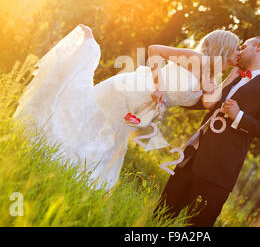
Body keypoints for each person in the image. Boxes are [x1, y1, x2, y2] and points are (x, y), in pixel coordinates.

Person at [14, 24, 240, 190]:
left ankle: (70, 175)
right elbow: (154, 50)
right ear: (224, 48)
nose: (238, 54)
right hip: (132, 90)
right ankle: (87, 48)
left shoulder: (212, 76)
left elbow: (210, 103)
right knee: (90, 118)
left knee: (106, 137)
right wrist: (158, 87)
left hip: (140, 107)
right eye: (235, 50)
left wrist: (232, 76)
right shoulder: (195, 58)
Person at [154, 36, 260, 226]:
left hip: (217, 173)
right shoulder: (234, 77)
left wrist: (239, 116)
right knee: (159, 218)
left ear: (258, 47)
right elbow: (205, 103)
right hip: (190, 158)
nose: (239, 51)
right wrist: (167, 96)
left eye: (244, 47)